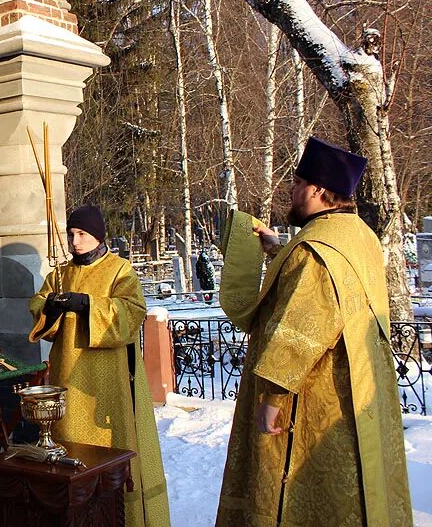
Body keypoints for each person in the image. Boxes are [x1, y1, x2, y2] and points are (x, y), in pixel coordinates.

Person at [216, 136, 412, 525]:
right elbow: (319, 278)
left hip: (312, 396)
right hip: (358, 391)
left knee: (300, 497)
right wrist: (277, 248)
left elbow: (300, 330)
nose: (291, 190)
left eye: (297, 183)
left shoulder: (314, 250)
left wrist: (272, 398)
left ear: (319, 190)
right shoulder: (359, 236)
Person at [28, 205, 170, 527]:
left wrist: (88, 305)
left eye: (82, 234)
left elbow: (133, 311)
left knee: (110, 443)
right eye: (72, 234)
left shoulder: (120, 270)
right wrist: (49, 306)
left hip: (108, 378)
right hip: (68, 372)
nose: (75, 241)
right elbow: (37, 302)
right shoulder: (60, 273)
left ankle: (116, 514)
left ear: (98, 235)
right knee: (67, 439)